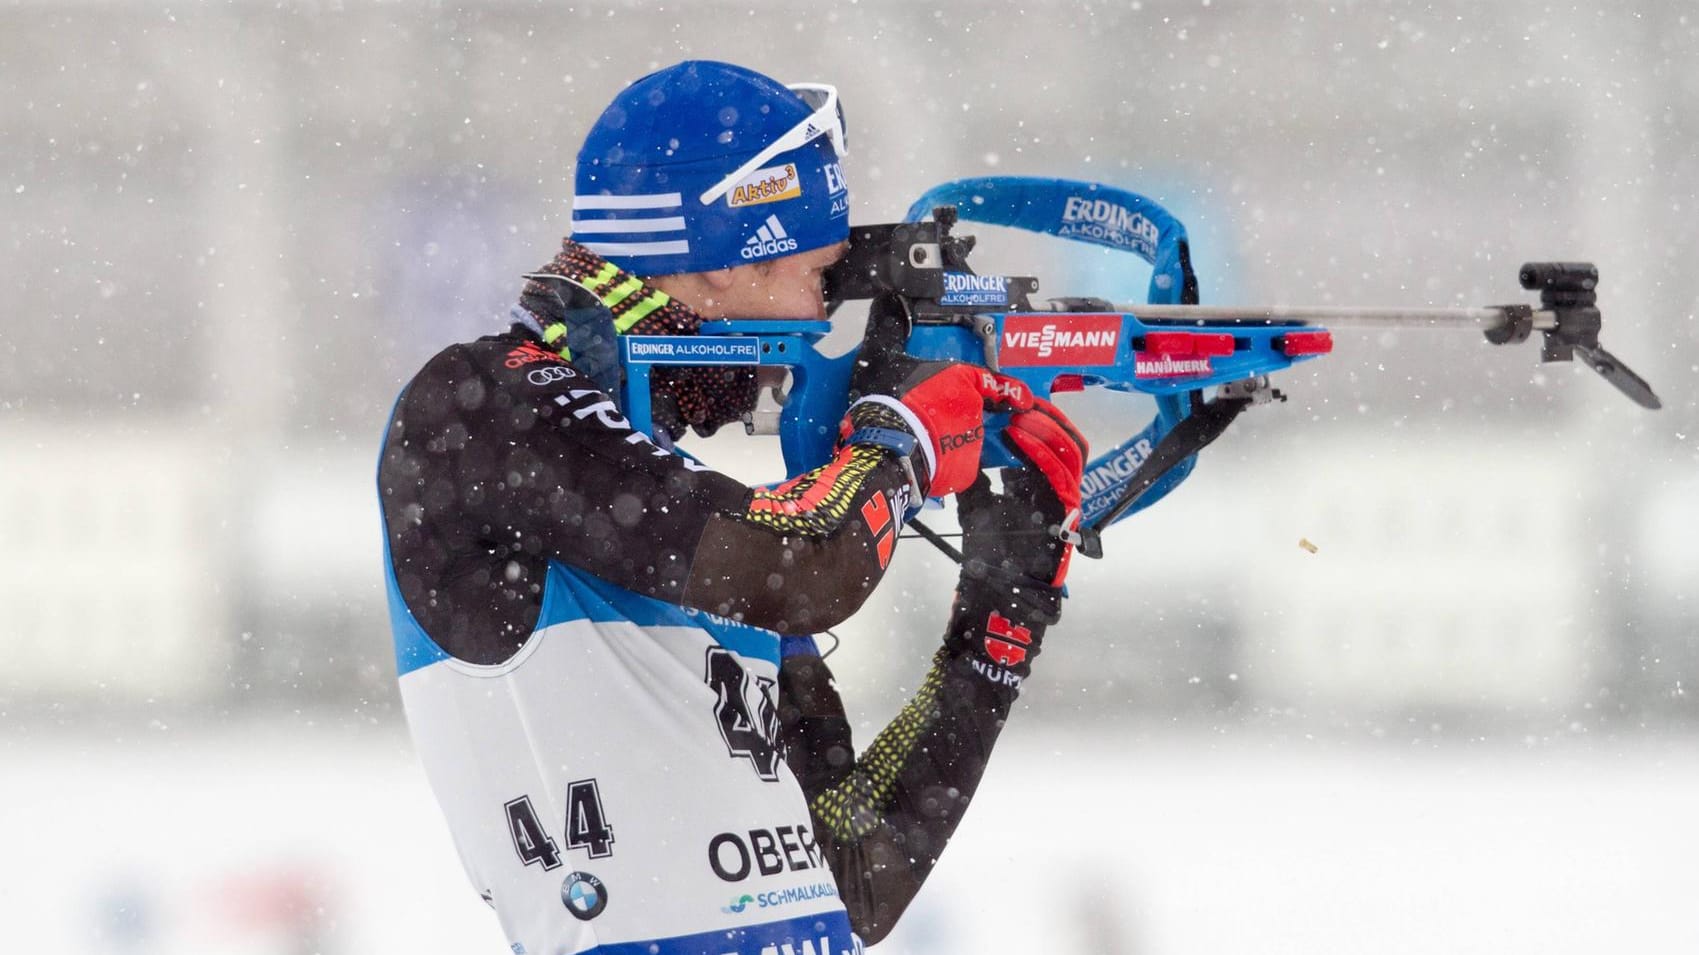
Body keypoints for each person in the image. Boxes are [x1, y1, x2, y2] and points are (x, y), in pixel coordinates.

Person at [378, 60, 1088, 955]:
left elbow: (854, 877)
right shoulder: (481, 402)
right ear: (719, 264)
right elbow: (803, 570)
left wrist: (1003, 606)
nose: (818, 312)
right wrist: (896, 435)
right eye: (815, 276)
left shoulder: (681, 514)